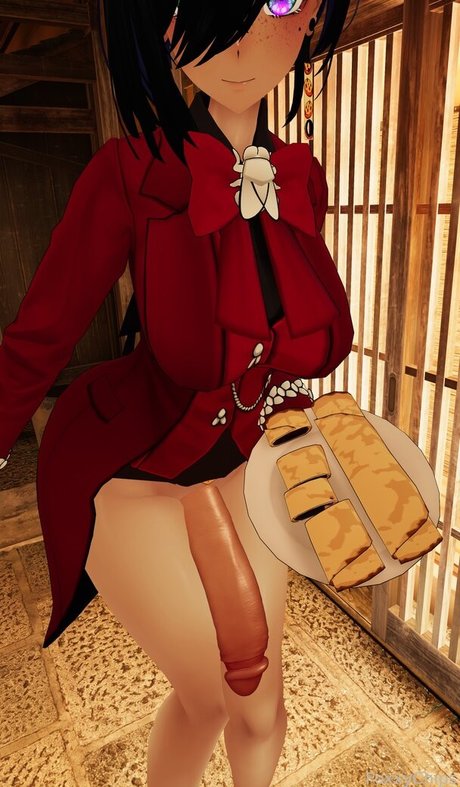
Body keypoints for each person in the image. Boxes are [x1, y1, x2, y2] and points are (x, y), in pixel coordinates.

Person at [0, 0, 359, 784]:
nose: (244, 41)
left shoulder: (300, 177)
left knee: (261, 710)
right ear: (159, 23)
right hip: (132, 462)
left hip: (243, 461)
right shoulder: (129, 171)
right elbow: (40, 335)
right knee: (212, 693)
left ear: (315, 16)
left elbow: (286, 336)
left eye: (280, 1)